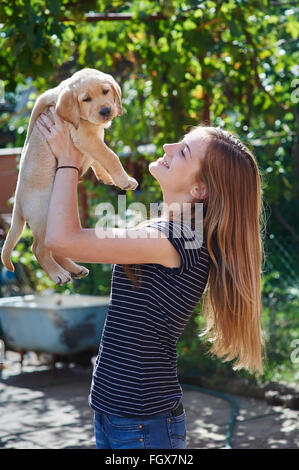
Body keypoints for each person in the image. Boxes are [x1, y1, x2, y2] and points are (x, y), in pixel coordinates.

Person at [36, 107, 266, 449]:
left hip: (141, 424)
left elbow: (62, 240)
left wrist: (69, 159)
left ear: (200, 188)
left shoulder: (178, 239)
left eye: (183, 150)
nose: (169, 146)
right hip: (120, 413)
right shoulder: (171, 231)